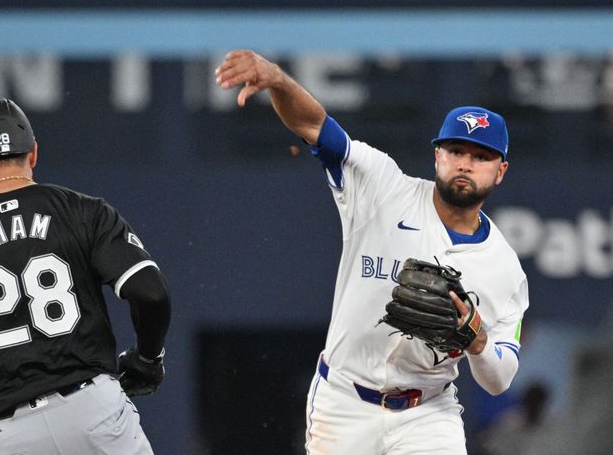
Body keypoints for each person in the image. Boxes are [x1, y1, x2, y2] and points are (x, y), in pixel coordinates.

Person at [214, 50, 528, 454]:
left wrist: (476, 338)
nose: (465, 164)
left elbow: (499, 379)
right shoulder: (384, 187)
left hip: (427, 412)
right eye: (455, 151)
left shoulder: (504, 268)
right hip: (344, 402)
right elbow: (314, 125)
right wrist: (277, 79)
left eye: (481, 157)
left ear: (501, 170)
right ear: (437, 156)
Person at [0, 97, 170, 454]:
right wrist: (147, 360)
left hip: (7, 434)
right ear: (33, 153)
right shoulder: (82, 211)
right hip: (92, 411)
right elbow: (150, 292)